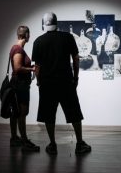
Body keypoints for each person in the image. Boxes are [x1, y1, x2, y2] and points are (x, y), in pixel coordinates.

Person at [32, 12, 91, 155]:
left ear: (44, 23)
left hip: (47, 84)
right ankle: (79, 143)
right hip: (66, 82)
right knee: (74, 112)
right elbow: (76, 59)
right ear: (56, 22)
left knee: (48, 115)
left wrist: (39, 82)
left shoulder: (38, 41)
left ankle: (52, 144)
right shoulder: (68, 37)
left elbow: (37, 66)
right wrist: (76, 78)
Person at [8, 25, 39, 151]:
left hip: (18, 84)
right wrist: (32, 69)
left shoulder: (16, 48)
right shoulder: (18, 49)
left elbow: (19, 66)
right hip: (20, 85)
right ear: (25, 35)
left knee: (15, 113)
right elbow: (17, 68)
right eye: (29, 34)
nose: (29, 36)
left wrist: (29, 67)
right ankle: (24, 141)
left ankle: (15, 138)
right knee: (22, 112)